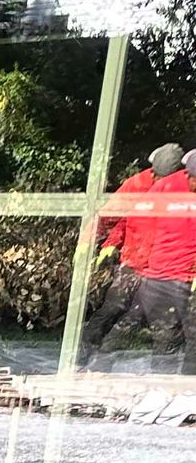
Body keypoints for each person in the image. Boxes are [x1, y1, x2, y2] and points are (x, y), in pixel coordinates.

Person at [80, 140, 189, 367]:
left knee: (143, 321)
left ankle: (108, 363)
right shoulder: (137, 184)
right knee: (111, 309)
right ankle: (81, 358)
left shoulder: (185, 189)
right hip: (133, 262)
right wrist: (93, 241)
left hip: (160, 270)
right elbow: (115, 215)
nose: (159, 183)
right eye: (156, 177)